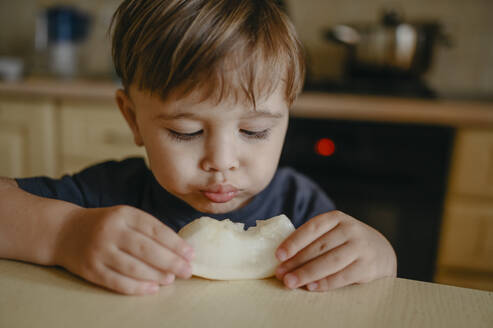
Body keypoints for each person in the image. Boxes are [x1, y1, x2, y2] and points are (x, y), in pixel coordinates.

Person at [0, 0, 396, 295]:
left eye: (255, 131)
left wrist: (380, 256)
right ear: (133, 119)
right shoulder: (107, 195)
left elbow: (366, 289)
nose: (221, 163)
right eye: (186, 132)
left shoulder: (302, 206)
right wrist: (65, 234)